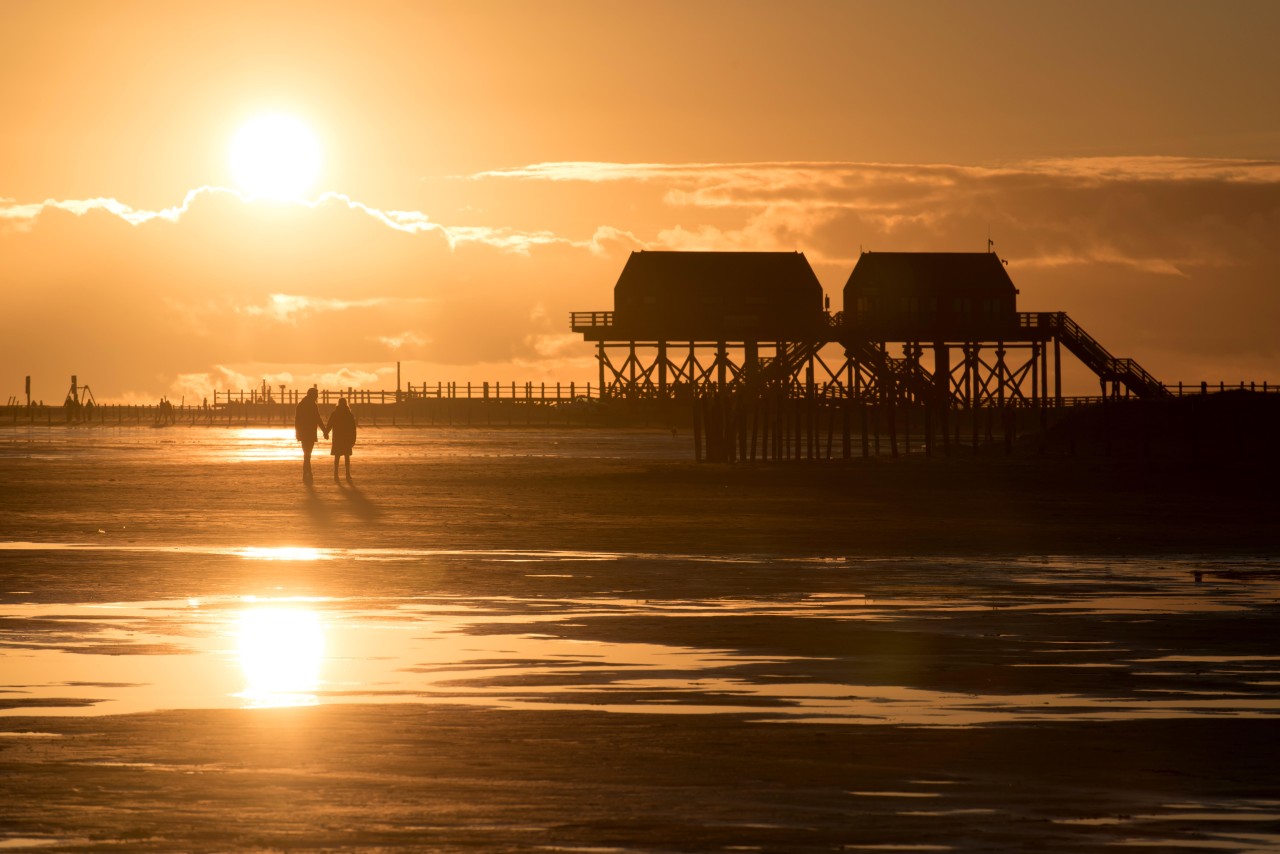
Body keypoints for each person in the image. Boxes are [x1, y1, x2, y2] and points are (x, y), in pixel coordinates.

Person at [294, 387, 328, 481]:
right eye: (316, 395)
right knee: (308, 453)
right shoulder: (312, 405)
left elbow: (297, 421)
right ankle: (307, 472)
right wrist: (325, 431)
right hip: (309, 432)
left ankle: (306, 472)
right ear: (312, 395)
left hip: (304, 433)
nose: (317, 397)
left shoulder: (301, 405)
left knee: (307, 453)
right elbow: (318, 419)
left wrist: (297, 433)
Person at [328, 397, 357, 481]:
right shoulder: (348, 414)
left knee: (345, 457)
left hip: (341, 438)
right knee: (339, 457)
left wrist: (326, 432)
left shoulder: (337, 413)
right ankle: (337, 474)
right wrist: (326, 432)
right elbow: (353, 428)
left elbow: (353, 428)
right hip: (342, 438)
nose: (342, 405)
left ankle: (345, 474)